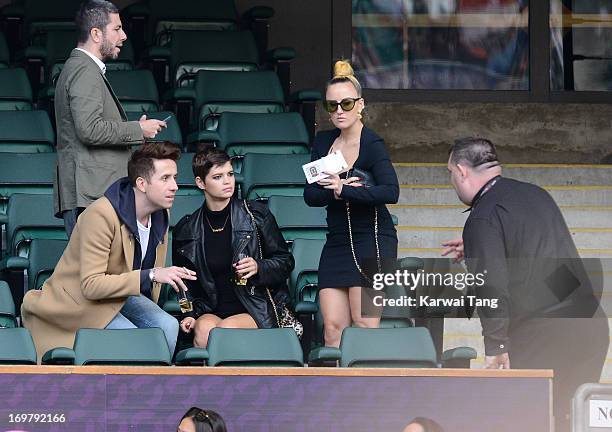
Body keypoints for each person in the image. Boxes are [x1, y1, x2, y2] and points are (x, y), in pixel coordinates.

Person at [442, 137, 608, 432]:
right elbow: (535, 247)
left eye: (451, 174)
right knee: (570, 419)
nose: (452, 181)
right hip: (590, 324)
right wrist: (480, 244)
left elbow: (491, 285)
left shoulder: (483, 217)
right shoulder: (535, 194)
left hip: (547, 332)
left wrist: (496, 345)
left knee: (527, 420)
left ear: (463, 171)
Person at [22, 143, 197, 362]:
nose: (175, 186)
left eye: (175, 177)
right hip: (81, 302)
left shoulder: (162, 212)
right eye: (165, 178)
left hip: (121, 294)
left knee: (168, 326)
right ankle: (129, 390)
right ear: (142, 184)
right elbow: (91, 285)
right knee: (135, 340)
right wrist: (152, 274)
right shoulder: (100, 215)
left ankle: (153, 387)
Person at [304, 60, 399, 348]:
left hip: (373, 241)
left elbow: (390, 192)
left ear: (360, 105)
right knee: (332, 328)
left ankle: (370, 392)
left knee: (365, 323)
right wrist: (335, 191)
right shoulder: (323, 142)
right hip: (337, 242)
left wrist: (344, 190)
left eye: (346, 103)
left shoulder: (372, 144)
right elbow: (310, 196)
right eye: (332, 106)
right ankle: (335, 391)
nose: (339, 111)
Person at [55, 0, 167, 237]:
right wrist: (137, 129)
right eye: (116, 29)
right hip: (91, 194)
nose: (124, 36)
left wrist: (136, 129)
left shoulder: (81, 68)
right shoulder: (84, 69)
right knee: (95, 274)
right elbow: (89, 129)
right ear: (96, 34)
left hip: (91, 192)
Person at [172, 148, 294, 348]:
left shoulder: (256, 215)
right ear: (200, 183)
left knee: (224, 332)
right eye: (218, 177)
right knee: (203, 332)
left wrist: (259, 267)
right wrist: (189, 314)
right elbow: (183, 287)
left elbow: (285, 262)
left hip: (256, 307)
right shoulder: (186, 229)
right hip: (211, 309)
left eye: (230, 174)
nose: (228, 181)